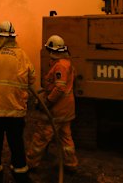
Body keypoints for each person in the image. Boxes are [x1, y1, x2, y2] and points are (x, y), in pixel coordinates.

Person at [0, 20, 36, 183]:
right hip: (14, 112)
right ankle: (21, 176)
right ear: (13, 38)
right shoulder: (22, 56)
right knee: (17, 145)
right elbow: (32, 78)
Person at [26, 34, 78, 172]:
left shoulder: (60, 66)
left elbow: (59, 88)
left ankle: (31, 165)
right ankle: (70, 164)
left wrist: (47, 102)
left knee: (41, 137)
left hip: (56, 111)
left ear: (52, 51)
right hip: (67, 110)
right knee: (66, 138)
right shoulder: (67, 63)